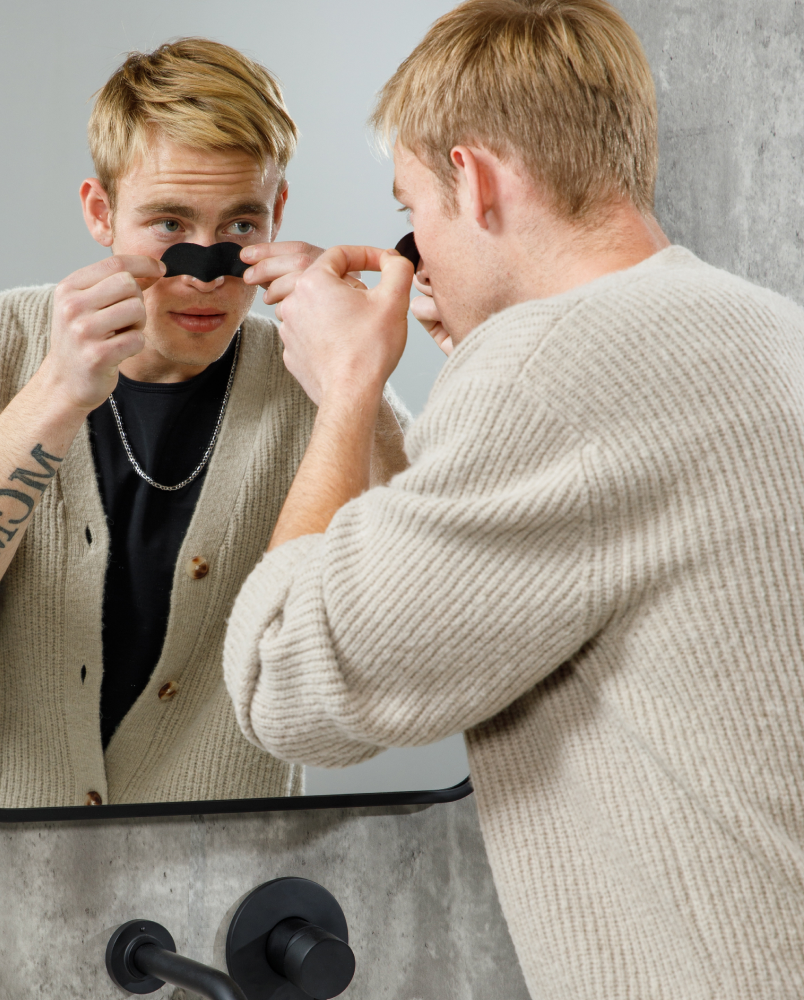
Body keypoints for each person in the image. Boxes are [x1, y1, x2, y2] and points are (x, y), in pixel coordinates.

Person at [222, 2, 804, 997]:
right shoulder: (763, 327)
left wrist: (351, 388)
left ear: (477, 180)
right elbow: (465, 588)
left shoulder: (552, 368)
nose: (416, 255)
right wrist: (386, 403)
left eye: (414, 214)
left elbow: (285, 680)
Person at [0, 38, 409, 809]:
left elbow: (404, 644)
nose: (205, 270)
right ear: (101, 213)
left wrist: (352, 385)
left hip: (226, 865)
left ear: (278, 215)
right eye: (169, 224)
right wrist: (58, 395)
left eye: (239, 227)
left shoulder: (324, 382)